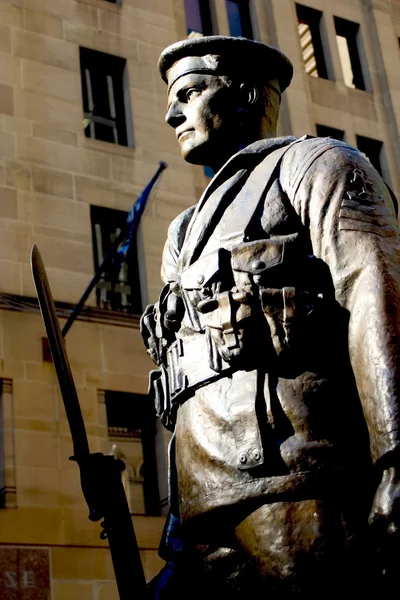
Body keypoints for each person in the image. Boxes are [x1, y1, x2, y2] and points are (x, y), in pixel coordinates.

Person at [141, 36, 400, 597]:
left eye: (188, 92)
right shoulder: (182, 233)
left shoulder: (320, 166)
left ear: (245, 96)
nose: (171, 113)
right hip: (201, 508)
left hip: (293, 479)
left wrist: (397, 456)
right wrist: (175, 518)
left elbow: (375, 299)